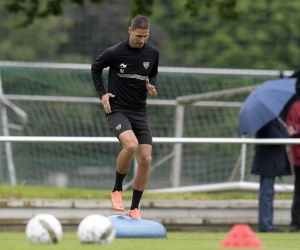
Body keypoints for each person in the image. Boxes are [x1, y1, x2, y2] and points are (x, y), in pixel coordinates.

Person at [91, 15, 159, 219]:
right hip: (117, 109)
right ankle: (117, 189)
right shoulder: (115, 52)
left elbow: (152, 73)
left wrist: (150, 85)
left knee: (146, 158)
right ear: (130, 31)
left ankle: (135, 209)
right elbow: (95, 68)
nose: (142, 40)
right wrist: (102, 93)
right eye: (139, 36)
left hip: (140, 111)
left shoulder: (153, 53)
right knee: (130, 145)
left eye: (146, 36)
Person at [252, 118, 292, 232]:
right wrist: (287, 133)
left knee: (267, 193)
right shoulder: (267, 119)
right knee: (266, 193)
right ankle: (265, 225)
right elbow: (275, 137)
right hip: (267, 162)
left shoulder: (271, 118)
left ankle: (267, 223)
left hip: (269, 162)